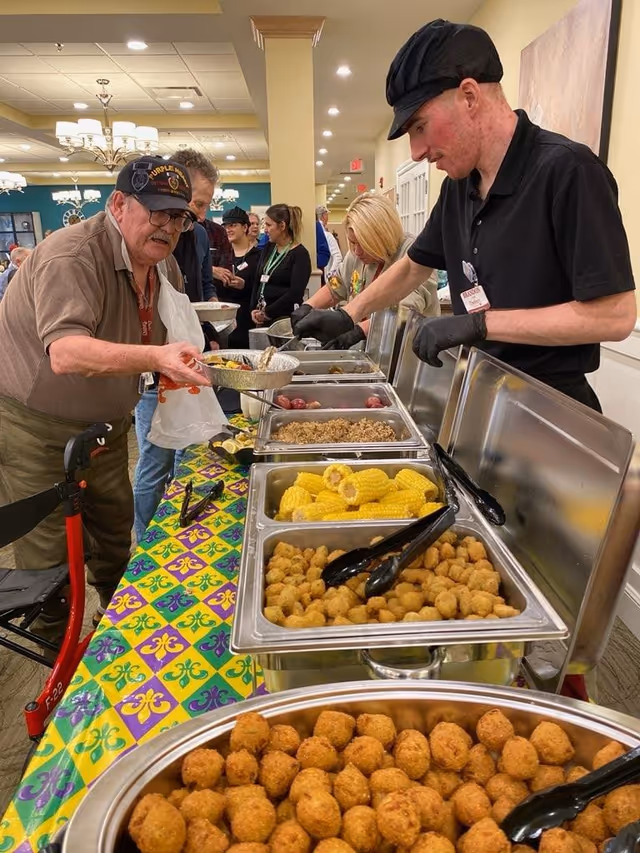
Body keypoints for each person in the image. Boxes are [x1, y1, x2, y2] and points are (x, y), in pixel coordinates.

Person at [294, 18, 636, 412]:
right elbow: (412, 266)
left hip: (551, 408)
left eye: (420, 126)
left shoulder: (568, 171)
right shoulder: (458, 186)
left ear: (470, 96)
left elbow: (616, 315)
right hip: (481, 396)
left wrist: (481, 324)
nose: (416, 151)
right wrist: (349, 315)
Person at [0, 155, 209, 645]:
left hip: (109, 425)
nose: (168, 227)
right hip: (36, 427)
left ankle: (121, 641)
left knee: (115, 539)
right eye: (156, 212)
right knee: (49, 563)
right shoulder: (72, 256)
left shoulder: (164, 265)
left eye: (178, 217)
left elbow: (171, 330)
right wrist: (157, 357)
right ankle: (57, 665)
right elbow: (67, 353)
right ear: (118, 203)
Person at [133, 148, 220, 542]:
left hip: (181, 367)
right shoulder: (141, 244)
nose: (199, 214)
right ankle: (148, 543)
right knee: (153, 465)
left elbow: (190, 296)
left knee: (186, 459)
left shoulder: (192, 236)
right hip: (150, 379)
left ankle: (175, 537)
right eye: (197, 203)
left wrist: (209, 334)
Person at [305, 194, 438, 349]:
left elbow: (406, 313)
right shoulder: (355, 255)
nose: (357, 251)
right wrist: (308, 307)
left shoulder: (414, 254)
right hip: (368, 352)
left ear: (382, 238)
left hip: (407, 354)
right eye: (353, 243)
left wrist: (359, 330)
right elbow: (336, 285)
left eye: (363, 244)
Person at [250, 203, 312, 327]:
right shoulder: (269, 248)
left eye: (268, 225)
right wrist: (253, 308)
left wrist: (268, 312)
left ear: (282, 226)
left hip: (284, 320)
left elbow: (295, 293)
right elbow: (257, 280)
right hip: (261, 316)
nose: (265, 230)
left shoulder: (300, 254)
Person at [220, 206, 261, 347]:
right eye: (225, 226)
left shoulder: (258, 257)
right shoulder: (220, 255)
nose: (228, 229)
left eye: (233, 225)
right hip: (221, 320)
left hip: (245, 319)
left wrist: (244, 285)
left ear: (245, 227)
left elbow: (261, 288)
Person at [316, 204, 343, 277]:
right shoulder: (327, 235)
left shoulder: (315, 234)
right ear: (323, 216)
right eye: (327, 215)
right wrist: (330, 274)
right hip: (325, 277)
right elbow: (338, 257)